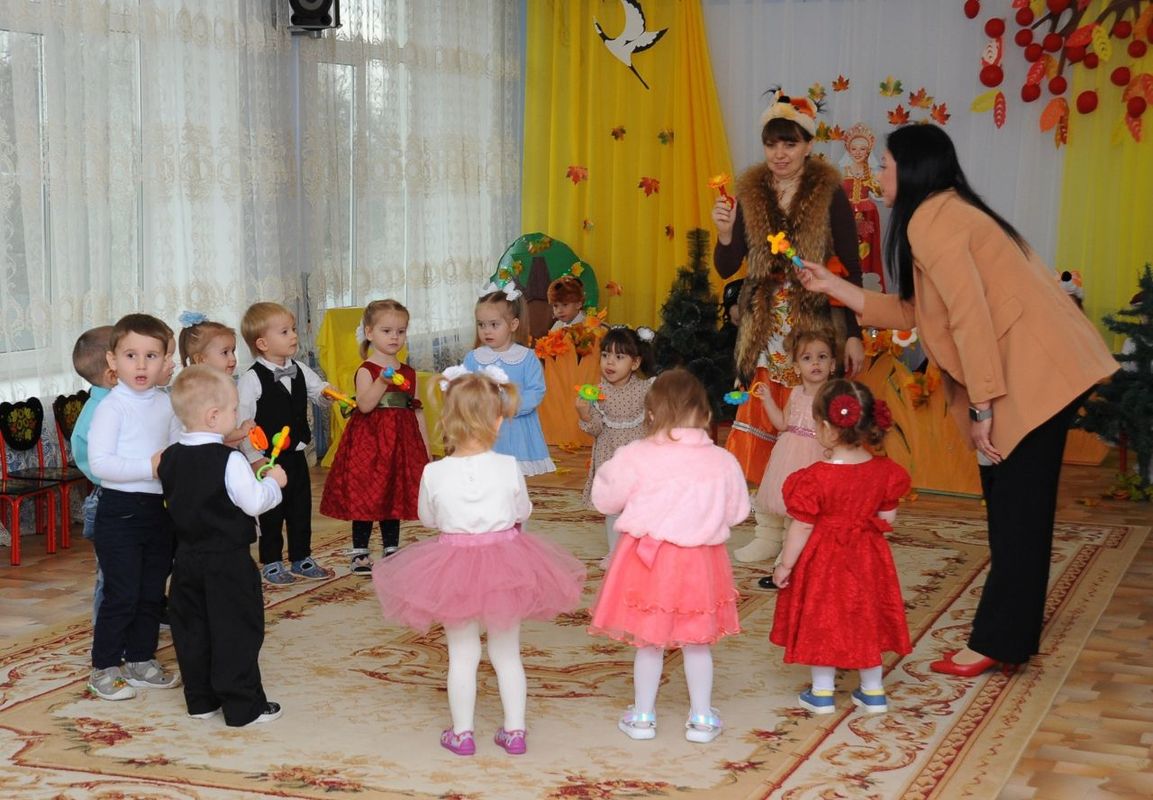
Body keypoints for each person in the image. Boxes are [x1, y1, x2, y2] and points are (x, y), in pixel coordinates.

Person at [799, 123, 1117, 676]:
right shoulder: (942, 212)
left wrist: (983, 407)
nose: (878, 175)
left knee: (1017, 511)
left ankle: (997, 640)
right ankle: (1007, 637)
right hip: (1035, 368)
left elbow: (970, 316)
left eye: (885, 165)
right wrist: (834, 288)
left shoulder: (932, 219)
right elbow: (917, 313)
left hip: (1035, 372)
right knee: (1015, 509)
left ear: (911, 169)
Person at [370, 367, 585, 757]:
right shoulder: (508, 466)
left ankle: (463, 733)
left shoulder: (433, 472)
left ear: (447, 419)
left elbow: (428, 519)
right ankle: (515, 731)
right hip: (506, 566)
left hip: (453, 568)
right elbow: (522, 511)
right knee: (507, 652)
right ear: (498, 420)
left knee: (462, 653)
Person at [711, 88, 865, 571]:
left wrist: (853, 331)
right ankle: (767, 531)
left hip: (812, 327)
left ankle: (809, 527)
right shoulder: (750, 193)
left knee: (808, 428)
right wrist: (725, 233)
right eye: (771, 144)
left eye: (790, 143)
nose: (780, 154)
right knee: (764, 422)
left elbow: (851, 267)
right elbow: (728, 266)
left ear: (808, 145)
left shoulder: (829, 194)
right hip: (764, 328)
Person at [587, 369, 750, 744]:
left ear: (650, 415)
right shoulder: (722, 460)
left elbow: (605, 499)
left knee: (649, 641)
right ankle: (702, 718)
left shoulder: (635, 455)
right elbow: (738, 511)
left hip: (648, 563)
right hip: (699, 563)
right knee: (697, 641)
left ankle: (642, 717)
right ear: (706, 416)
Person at [770, 379, 911, 714]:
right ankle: (873, 691)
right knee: (866, 615)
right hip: (868, 557)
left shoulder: (815, 477)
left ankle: (822, 693)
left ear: (825, 427)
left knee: (822, 617)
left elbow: (803, 526)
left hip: (825, 560)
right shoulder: (885, 471)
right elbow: (888, 517)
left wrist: (785, 564)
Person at [159, 366, 287, 726]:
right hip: (228, 561)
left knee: (192, 629)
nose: (237, 416)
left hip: (185, 560)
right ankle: (243, 706)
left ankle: (200, 700)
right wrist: (274, 483)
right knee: (237, 629)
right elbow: (254, 502)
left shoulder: (168, 457)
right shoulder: (230, 459)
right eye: (233, 410)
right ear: (213, 416)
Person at [86, 313, 184, 701]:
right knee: (122, 593)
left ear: (165, 361)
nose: (141, 365)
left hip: (159, 511)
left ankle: (141, 659)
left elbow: (176, 450)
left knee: (151, 591)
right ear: (113, 360)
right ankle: (104, 666)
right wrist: (150, 466)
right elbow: (101, 465)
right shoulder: (113, 407)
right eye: (131, 355)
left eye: (151, 356)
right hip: (120, 512)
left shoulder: (167, 404)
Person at [320, 299, 430, 574]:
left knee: (394, 491)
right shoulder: (366, 370)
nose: (395, 337)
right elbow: (366, 405)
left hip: (400, 443)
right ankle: (360, 551)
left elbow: (416, 410)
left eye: (401, 331)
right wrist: (382, 381)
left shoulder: (409, 372)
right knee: (367, 492)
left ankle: (391, 547)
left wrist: (426, 449)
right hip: (370, 444)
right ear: (369, 333)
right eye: (387, 331)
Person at [238, 301, 335, 584]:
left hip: (296, 454)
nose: (294, 336)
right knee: (271, 510)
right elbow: (245, 423)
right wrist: (255, 458)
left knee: (300, 507)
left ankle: (301, 556)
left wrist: (329, 395)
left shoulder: (300, 368)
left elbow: (319, 392)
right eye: (285, 332)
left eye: (293, 329)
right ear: (262, 343)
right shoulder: (251, 379)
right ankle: (271, 561)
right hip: (268, 458)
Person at [746, 328, 837, 575]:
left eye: (822, 357)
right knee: (786, 500)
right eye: (807, 358)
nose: (815, 363)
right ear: (796, 367)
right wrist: (767, 399)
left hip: (818, 454)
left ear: (832, 364)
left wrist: (834, 450)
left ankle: (794, 549)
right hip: (789, 452)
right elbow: (782, 424)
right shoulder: (795, 393)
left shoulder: (833, 394)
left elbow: (839, 428)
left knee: (806, 506)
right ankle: (771, 541)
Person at [575, 326, 656, 562]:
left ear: (635, 363)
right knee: (612, 509)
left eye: (619, 357)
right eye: (605, 355)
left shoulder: (646, 389)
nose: (610, 362)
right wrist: (584, 413)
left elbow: (657, 419)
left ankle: (643, 548)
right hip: (609, 458)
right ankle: (615, 553)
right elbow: (595, 429)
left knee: (639, 506)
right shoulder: (596, 393)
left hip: (638, 461)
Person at [463, 285, 555, 476]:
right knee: (485, 475)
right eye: (481, 325)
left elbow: (536, 390)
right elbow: (465, 388)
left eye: (494, 325)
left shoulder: (526, 357)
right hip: (484, 427)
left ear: (513, 325)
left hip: (517, 429)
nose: (486, 331)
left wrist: (511, 406)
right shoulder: (474, 358)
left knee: (515, 477)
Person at [70, 325, 116, 624]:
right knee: (111, 574)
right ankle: (107, 632)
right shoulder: (100, 412)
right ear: (113, 371)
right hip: (109, 499)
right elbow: (92, 462)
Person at [176, 312, 253, 446]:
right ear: (201, 359)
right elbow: (215, 433)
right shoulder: (204, 392)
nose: (233, 358)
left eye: (233, 351)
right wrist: (242, 431)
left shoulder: (216, 386)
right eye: (225, 352)